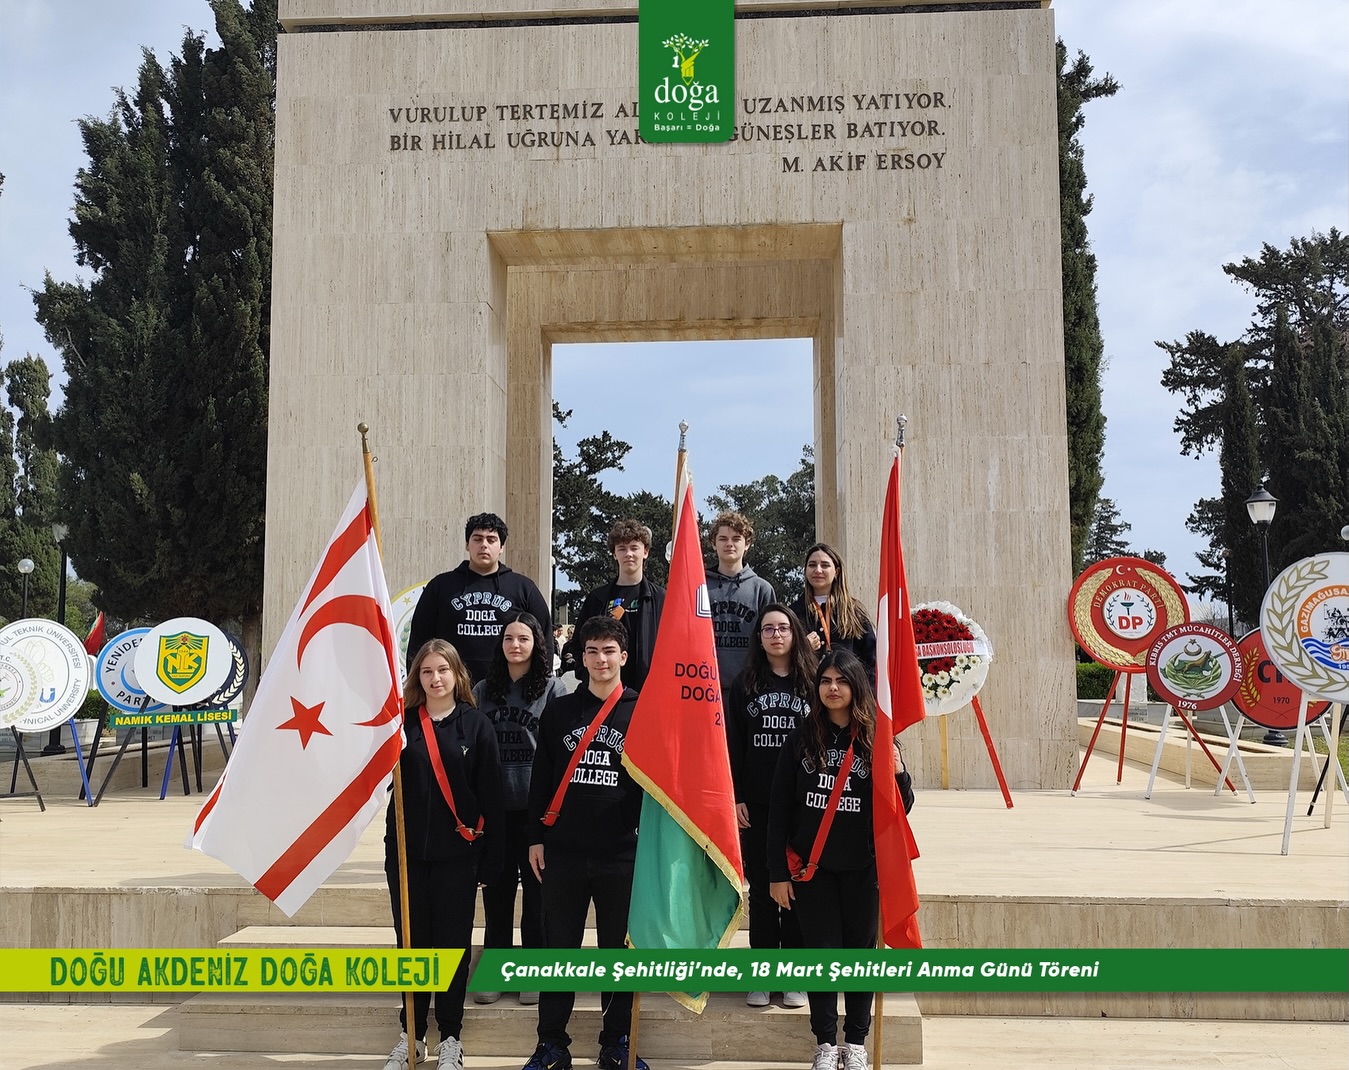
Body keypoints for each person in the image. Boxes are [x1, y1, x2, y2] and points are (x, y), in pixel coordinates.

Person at [767, 649, 915, 1070]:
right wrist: (777, 873)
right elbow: (778, 811)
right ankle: (826, 1044)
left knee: (860, 956)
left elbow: (900, 808)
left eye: (842, 681)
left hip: (863, 869)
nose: (833, 688)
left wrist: (900, 772)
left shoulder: (876, 739)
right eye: (826, 680)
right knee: (822, 955)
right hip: (811, 869)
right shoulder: (800, 737)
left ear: (856, 686)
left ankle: (855, 1043)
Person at [523, 616, 648, 1070]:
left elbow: (656, 785)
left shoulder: (641, 709)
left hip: (622, 852)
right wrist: (536, 837)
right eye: (592, 651)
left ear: (623, 657)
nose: (600, 659)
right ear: (581, 656)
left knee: (618, 953)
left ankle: (617, 1042)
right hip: (565, 851)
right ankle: (551, 1044)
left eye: (609, 651)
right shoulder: (559, 709)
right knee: (560, 952)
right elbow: (542, 780)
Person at [383, 639, 504, 1070]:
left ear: (457, 675)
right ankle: (412, 1035)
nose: (435, 679)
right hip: (407, 854)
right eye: (427, 671)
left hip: (458, 856)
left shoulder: (476, 726)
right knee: (411, 946)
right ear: (417, 677)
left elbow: (492, 795)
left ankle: (450, 1036)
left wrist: (490, 860)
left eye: (443, 670)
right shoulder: (400, 725)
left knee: (452, 946)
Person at [471, 612, 567, 1007]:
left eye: (523, 638)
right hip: (495, 808)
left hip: (536, 809)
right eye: (509, 638)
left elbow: (562, 749)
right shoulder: (481, 689)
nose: (515, 645)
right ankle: (495, 966)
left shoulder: (552, 688)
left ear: (535, 644)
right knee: (497, 891)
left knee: (537, 894)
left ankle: (531, 967)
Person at [725, 603, 817, 1011]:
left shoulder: (813, 682)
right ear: (758, 637)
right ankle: (762, 974)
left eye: (783, 628)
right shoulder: (744, 684)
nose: (776, 635)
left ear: (795, 634)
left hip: (802, 804)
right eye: (768, 629)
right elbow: (733, 747)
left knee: (796, 889)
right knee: (762, 890)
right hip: (757, 804)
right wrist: (737, 794)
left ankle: (794, 976)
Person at [407, 512, 553, 683]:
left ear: (501, 547)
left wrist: (542, 681)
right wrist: (418, 684)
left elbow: (544, 639)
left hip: (509, 690)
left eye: (491, 540)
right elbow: (419, 639)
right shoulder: (441, 586)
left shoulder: (523, 587)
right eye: (477, 539)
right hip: (451, 689)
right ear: (467, 545)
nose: (484, 545)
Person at [563, 519, 666, 691]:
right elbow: (578, 643)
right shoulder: (597, 598)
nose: (628, 554)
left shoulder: (661, 599)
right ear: (614, 554)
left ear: (645, 552)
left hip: (647, 693)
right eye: (622, 549)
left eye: (634, 548)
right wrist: (588, 677)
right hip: (604, 692)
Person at [789, 543, 877, 685]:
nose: (818, 570)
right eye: (812, 565)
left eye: (825, 565)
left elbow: (872, 658)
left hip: (849, 694)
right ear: (805, 571)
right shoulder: (793, 614)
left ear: (836, 571)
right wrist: (803, 649)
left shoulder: (853, 611)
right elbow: (782, 660)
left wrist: (870, 695)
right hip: (808, 693)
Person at [705, 510, 776, 687]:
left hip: (750, 685)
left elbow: (773, 639)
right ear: (713, 543)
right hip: (707, 687)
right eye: (723, 539)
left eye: (736, 539)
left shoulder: (762, 589)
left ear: (747, 544)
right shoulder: (699, 587)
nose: (729, 544)